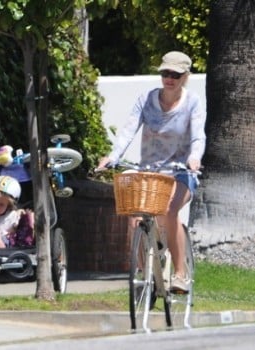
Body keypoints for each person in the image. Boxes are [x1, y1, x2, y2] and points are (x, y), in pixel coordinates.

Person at [97, 51, 206, 293]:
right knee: (136, 219)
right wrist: (112, 157)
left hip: (180, 171)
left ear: (185, 77)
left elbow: (198, 135)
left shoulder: (192, 103)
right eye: (165, 73)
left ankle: (180, 274)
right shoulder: (146, 100)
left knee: (169, 211)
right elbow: (127, 131)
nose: (169, 78)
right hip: (151, 172)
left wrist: (194, 157)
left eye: (175, 74)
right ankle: (144, 273)